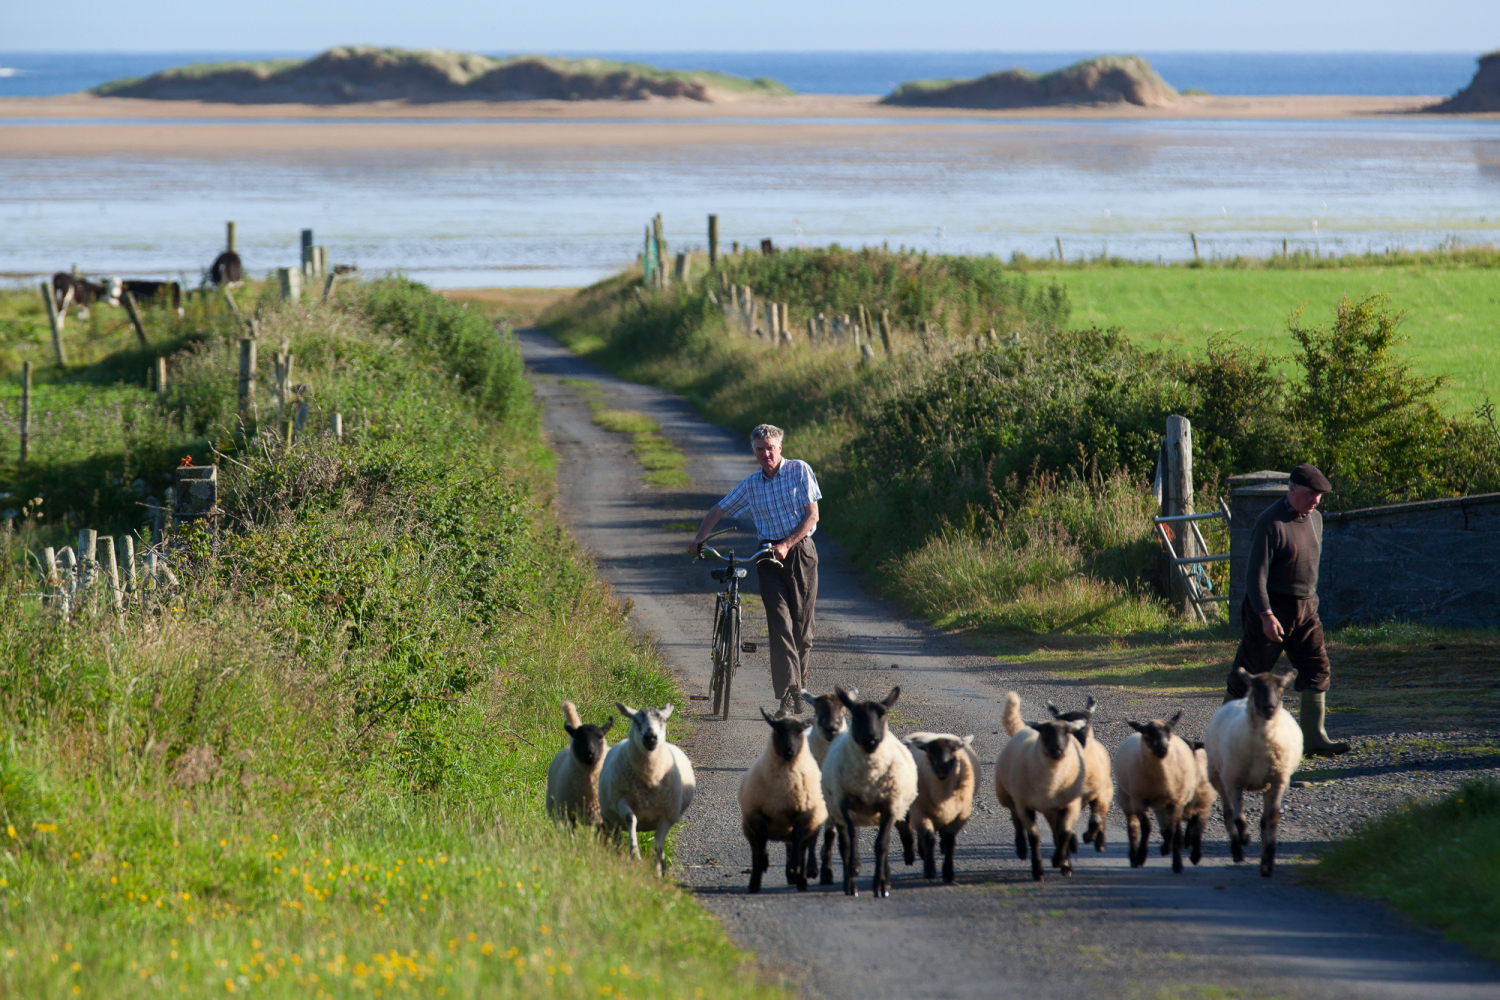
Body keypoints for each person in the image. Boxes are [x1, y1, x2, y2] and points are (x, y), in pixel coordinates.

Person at [690, 424, 821, 718]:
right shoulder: (751, 484)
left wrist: (787, 544)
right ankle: (787, 698)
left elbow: (813, 514)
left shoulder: (799, 471)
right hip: (767, 556)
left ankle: (799, 684)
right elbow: (719, 509)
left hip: (799, 552)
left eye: (770, 448)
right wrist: (699, 538)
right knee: (779, 625)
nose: (766, 454)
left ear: (780, 447)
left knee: (802, 631)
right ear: (754, 452)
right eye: (760, 450)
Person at [1225, 462, 1350, 756]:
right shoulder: (1270, 522)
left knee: (1317, 669)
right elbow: (1255, 577)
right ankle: (1226, 736)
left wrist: (1309, 604)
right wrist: (1265, 615)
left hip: (1307, 608)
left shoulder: (1316, 519)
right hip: (1272, 610)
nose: (1316, 500)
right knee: (1248, 675)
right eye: (1310, 494)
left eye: (1319, 496)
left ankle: (1314, 738)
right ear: (1292, 489)